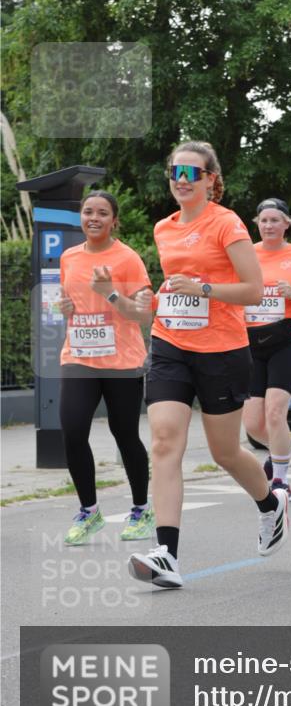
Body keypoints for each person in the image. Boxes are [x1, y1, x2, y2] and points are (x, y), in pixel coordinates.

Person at [127, 142, 289, 589]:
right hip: (170, 343)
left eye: (191, 173)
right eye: (175, 172)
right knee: (164, 442)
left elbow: (253, 290)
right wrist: (156, 298)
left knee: (225, 452)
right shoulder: (163, 228)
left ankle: (270, 504)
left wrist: (203, 289)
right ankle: (167, 555)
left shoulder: (226, 223)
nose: (181, 180)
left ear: (210, 180)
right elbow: (172, 286)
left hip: (221, 350)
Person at [58, 191, 154, 545]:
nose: (94, 218)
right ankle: (89, 511)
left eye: (102, 213)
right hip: (79, 356)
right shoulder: (69, 257)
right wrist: (66, 308)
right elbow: (71, 302)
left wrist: (110, 292)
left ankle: (141, 509)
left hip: (121, 360)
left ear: (114, 220)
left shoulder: (127, 258)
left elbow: (142, 314)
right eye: (88, 212)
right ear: (81, 218)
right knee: (72, 430)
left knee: (124, 433)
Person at [242, 198, 291, 500]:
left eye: (275, 220)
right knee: (253, 424)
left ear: (287, 223)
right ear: (257, 224)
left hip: (287, 339)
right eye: (264, 220)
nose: (269, 225)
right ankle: (283, 446)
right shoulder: (246, 253)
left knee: (275, 411)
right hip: (251, 341)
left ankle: (280, 480)